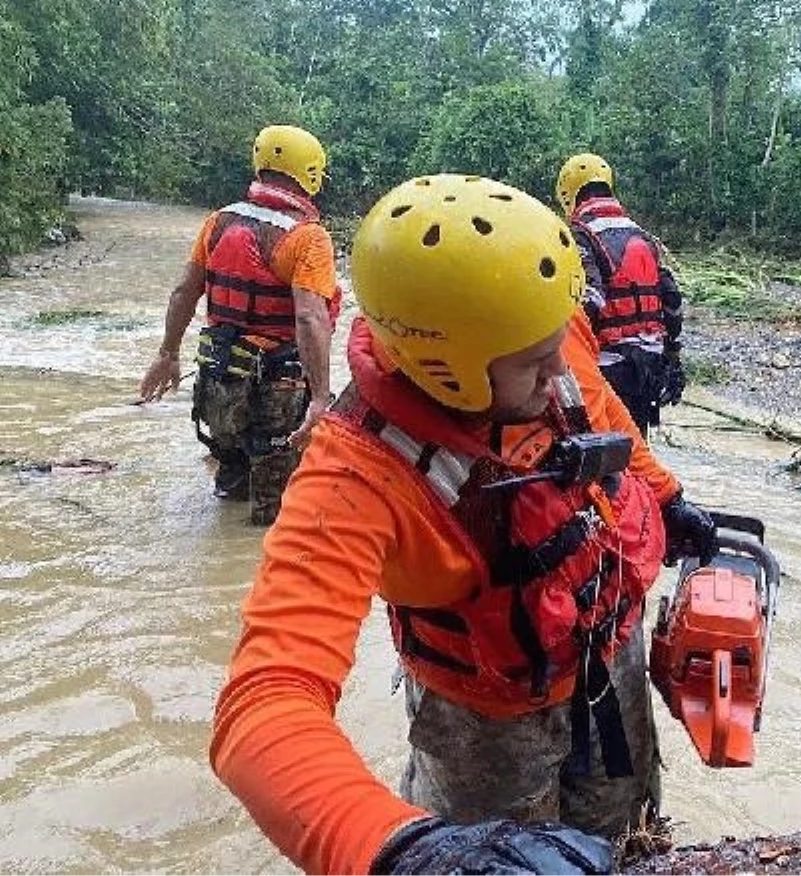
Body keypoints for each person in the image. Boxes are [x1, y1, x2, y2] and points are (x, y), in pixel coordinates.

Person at [209, 174, 718, 875]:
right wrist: (404, 851)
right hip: (487, 721)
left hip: (605, 651)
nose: (560, 369)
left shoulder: (532, 333)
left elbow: (599, 407)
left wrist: (665, 496)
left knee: (623, 839)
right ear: (450, 369)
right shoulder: (353, 477)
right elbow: (261, 710)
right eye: (538, 364)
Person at [139, 125, 340, 525]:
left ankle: (217, 566)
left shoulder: (218, 221)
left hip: (219, 379)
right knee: (275, 512)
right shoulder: (308, 238)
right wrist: (319, 398)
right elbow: (310, 316)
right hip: (278, 389)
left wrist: (167, 354)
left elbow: (183, 292)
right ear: (310, 172)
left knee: (230, 485)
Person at [556, 153, 686, 435]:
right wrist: (674, 360)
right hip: (651, 363)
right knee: (638, 446)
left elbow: (590, 298)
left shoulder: (582, 235)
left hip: (611, 365)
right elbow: (670, 297)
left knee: (602, 450)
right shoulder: (643, 236)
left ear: (569, 192)